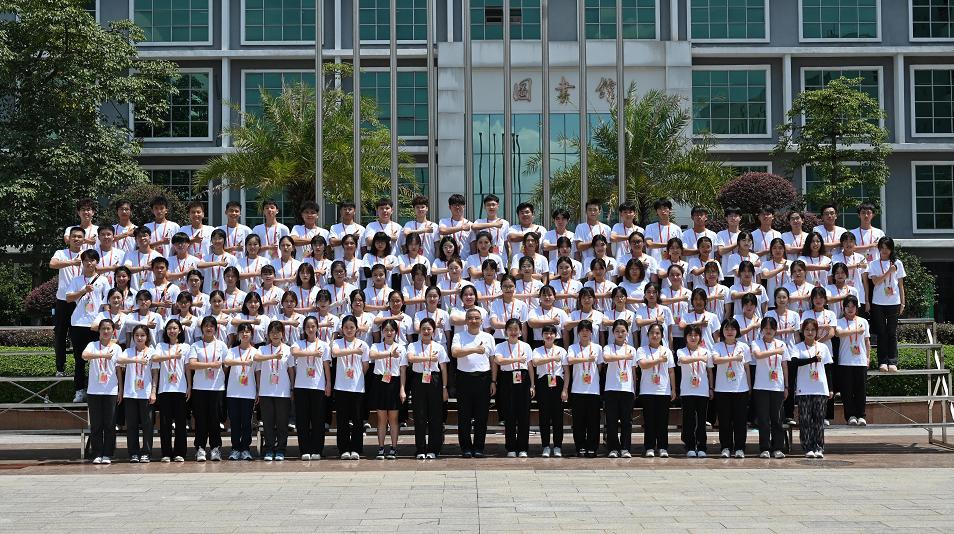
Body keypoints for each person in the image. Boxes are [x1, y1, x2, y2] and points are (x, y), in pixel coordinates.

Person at [65, 249, 111, 402]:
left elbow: (107, 303)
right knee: (79, 360)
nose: (89, 263)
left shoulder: (103, 280)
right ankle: (79, 391)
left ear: (97, 262)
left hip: (96, 325)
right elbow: (68, 298)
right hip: (78, 324)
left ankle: (95, 390)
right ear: (82, 262)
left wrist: (105, 321)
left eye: (92, 260)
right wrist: (83, 290)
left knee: (97, 359)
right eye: (86, 260)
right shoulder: (77, 280)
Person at [451, 307, 496, 458]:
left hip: (483, 378)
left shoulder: (488, 337)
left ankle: (478, 447)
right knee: (464, 416)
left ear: (482, 321)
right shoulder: (459, 336)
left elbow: (493, 360)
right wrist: (474, 349)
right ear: (466, 320)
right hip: (464, 378)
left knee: (481, 416)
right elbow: (455, 353)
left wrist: (493, 381)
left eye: (477, 318)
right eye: (470, 318)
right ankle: (465, 447)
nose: (473, 321)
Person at [81, 319, 123, 464]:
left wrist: (120, 390)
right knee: (96, 424)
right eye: (103, 328)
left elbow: (118, 370)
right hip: (94, 390)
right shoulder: (92, 345)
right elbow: (84, 356)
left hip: (111, 390)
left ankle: (108, 453)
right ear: (99, 331)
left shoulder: (116, 348)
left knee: (110, 424)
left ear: (113, 331)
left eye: (108, 328)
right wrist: (102, 356)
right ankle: (97, 453)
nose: (106, 331)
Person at [187, 316, 229, 462]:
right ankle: (200, 448)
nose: (209, 328)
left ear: (215, 329)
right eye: (206, 326)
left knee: (215, 420)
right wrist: (211, 365)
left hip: (217, 388)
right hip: (199, 388)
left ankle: (215, 448)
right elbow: (192, 364)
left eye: (211, 326)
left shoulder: (221, 345)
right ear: (202, 328)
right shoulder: (196, 345)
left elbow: (226, 365)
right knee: (200, 420)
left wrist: (217, 370)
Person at [405, 318, 448, 459]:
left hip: (434, 380)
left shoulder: (439, 347)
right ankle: (420, 449)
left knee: (435, 416)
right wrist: (428, 358)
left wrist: (444, 387)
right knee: (419, 415)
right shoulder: (413, 345)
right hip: (418, 380)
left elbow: (443, 368)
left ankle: (434, 449)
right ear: (419, 331)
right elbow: (411, 358)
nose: (426, 331)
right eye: (423, 328)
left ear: (433, 331)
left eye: (429, 329)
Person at [291, 316, 333, 460]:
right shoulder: (298, 343)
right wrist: (312, 353)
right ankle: (304, 450)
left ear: (317, 328)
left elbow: (326, 365)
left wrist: (328, 383)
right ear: (304, 329)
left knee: (318, 420)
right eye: (308, 326)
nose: (310, 329)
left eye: (313, 326)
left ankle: (317, 449)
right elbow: (294, 352)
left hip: (318, 386)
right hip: (301, 386)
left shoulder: (324, 345)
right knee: (302, 420)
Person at [792, 318, 833, 459]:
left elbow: (828, 368)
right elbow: (795, 362)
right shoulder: (797, 347)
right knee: (805, 420)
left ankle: (818, 447)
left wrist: (831, 388)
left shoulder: (823, 347)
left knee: (819, 420)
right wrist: (813, 359)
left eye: (813, 330)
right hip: (804, 388)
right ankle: (808, 447)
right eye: (807, 330)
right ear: (802, 331)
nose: (810, 332)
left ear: (817, 331)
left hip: (820, 388)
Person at [254, 321, 296, 462]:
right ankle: (269, 449)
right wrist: (273, 357)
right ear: (268, 335)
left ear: (282, 334)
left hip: (283, 392)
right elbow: (256, 359)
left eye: (278, 332)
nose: (275, 335)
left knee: (282, 423)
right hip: (266, 391)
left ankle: (281, 449)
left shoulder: (288, 349)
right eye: (272, 332)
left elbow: (291, 370)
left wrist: (292, 388)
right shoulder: (263, 349)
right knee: (268, 423)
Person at [331, 315, 371, 460]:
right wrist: (353, 351)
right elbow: (335, 353)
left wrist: (357, 376)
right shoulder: (337, 342)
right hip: (341, 387)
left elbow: (365, 366)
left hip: (357, 387)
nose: (349, 330)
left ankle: (356, 448)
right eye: (346, 327)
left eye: (352, 327)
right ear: (342, 329)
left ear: (356, 329)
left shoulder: (363, 344)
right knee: (342, 420)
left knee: (357, 419)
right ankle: (343, 449)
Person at [151, 319, 190, 463]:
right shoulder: (161, 345)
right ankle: (166, 452)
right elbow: (155, 358)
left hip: (180, 388)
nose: (172, 331)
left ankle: (180, 452)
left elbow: (187, 368)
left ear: (180, 330)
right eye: (169, 328)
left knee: (180, 423)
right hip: (164, 389)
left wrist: (189, 386)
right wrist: (172, 356)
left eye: (174, 328)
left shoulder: (185, 347)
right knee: (165, 423)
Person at [493, 318, 534, 458]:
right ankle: (510, 447)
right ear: (506, 331)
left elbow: (529, 366)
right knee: (509, 414)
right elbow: (499, 361)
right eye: (510, 329)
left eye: (516, 329)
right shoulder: (500, 346)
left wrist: (532, 385)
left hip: (523, 379)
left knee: (523, 415)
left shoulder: (526, 346)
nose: (513, 332)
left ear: (520, 331)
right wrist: (516, 360)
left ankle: (523, 448)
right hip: (506, 379)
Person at [712, 318, 752, 458]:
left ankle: (740, 447)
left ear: (737, 331)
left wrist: (749, 386)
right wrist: (734, 358)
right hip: (722, 389)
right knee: (724, 420)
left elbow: (747, 367)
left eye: (733, 329)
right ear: (722, 331)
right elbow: (716, 360)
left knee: (740, 420)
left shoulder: (744, 347)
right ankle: (726, 447)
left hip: (740, 388)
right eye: (727, 329)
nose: (729, 331)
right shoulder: (717, 346)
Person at [750, 317, 789, 459]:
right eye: (766, 328)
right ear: (761, 330)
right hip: (761, 386)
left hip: (777, 386)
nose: (768, 331)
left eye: (771, 328)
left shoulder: (781, 344)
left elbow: (784, 366)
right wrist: (775, 351)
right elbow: (758, 355)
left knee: (777, 419)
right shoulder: (756, 343)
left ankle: (778, 447)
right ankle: (765, 448)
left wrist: (786, 386)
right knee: (763, 419)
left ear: (776, 330)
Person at [636, 322, 676, 458]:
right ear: (647, 335)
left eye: (658, 333)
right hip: (647, 390)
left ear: (662, 336)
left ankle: (663, 447)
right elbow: (643, 365)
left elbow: (671, 371)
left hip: (663, 390)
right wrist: (659, 360)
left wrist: (673, 389)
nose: (655, 335)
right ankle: (649, 447)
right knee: (649, 421)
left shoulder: (667, 351)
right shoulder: (642, 350)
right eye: (652, 333)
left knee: (662, 421)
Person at [369, 319, 408, 460]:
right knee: (381, 418)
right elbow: (372, 356)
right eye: (386, 330)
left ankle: (394, 447)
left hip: (394, 382)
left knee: (393, 418)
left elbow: (403, 370)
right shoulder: (376, 346)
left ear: (396, 332)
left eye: (392, 330)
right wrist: (390, 354)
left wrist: (402, 389)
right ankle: (380, 448)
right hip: (379, 382)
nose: (389, 333)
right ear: (382, 332)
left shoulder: (401, 348)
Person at [865, 237, 905, 372]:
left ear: (891, 249)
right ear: (878, 249)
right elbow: (875, 282)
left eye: (887, 248)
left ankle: (892, 361)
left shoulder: (898, 263)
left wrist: (903, 303)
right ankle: (882, 362)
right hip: (878, 302)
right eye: (882, 247)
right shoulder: (873, 264)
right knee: (881, 333)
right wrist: (889, 272)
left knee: (892, 332)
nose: (884, 250)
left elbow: (900, 285)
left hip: (894, 302)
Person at [117, 325, 155, 463]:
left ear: (147, 337)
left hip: (146, 393)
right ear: (133, 337)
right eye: (137, 335)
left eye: (142, 335)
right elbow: (119, 360)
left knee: (147, 425)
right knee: (131, 425)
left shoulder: (152, 351)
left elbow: (155, 372)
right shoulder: (128, 351)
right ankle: (133, 452)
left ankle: (146, 452)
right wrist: (136, 360)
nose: (139, 338)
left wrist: (153, 391)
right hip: (130, 393)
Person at [566, 320, 602, 457]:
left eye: (587, 330)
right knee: (578, 421)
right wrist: (587, 359)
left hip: (593, 389)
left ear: (591, 332)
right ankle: (580, 446)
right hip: (577, 389)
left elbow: (600, 366)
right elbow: (570, 360)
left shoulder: (597, 348)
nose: (585, 333)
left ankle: (592, 447)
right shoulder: (573, 347)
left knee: (593, 420)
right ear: (578, 332)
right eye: (582, 330)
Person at [531, 325, 567, 458]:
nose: (549, 336)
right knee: (544, 417)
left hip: (558, 383)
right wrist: (552, 359)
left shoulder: (561, 350)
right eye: (546, 333)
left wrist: (565, 389)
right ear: (542, 335)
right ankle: (545, 446)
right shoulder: (537, 350)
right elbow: (535, 362)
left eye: (551, 333)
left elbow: (567, 372)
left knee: (558, 417)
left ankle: (557, 446)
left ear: (556, 336)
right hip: (543, 383)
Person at [223, 323, 259, 461]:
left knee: (246, 422)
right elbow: (227, 362)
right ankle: (235, 448)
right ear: (238, 334)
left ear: (251, 334)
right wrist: (242, 363)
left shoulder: (256, 352)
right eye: (242, 332)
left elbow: (258, 372)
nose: (245, 334)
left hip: (248, 392)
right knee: (235, 422)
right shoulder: (232, 350)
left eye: (247, 332)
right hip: (233, 392)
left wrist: (258, 390)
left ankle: (245, 448)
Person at [677, 324, 713, 458]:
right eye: (690, 335)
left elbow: (709, 371)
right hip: (687, 391)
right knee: (688, 420)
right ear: (685, 337)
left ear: (700, 337)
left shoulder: (706, 351)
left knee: (702, 420)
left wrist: (711, 388)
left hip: (702, 390)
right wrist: (699, 358)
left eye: (696, 335)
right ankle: (690, 446)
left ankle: (702, 446)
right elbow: (683, 360)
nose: (693, 338)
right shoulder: (681, 351)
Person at [603, 319, 637, 458]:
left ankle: (625, 448)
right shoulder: (608, 348)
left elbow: (633, 370)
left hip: (627, 389)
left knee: (626, 421)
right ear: (613, 333)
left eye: (623, 331)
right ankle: (613, 448)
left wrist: (634, 388)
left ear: (627, 332)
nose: (620, 334)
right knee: (611, 420)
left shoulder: (632, 349)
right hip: (611, 388)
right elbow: (606, 358)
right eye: (617, 331)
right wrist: (624, 356)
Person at [836, 296, 871, 426]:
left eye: (853, 306)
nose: (850, 309)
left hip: (860, 360)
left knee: (861, 390)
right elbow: (839, 334)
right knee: (847, 390)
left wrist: (868, 357)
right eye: (848, 306)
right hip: (845, 361)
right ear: (843, 308)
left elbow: (867, 341)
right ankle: (850, 416)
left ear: (857, 308)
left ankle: (861, 415)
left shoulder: (863, 321)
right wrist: (856, 331)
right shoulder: (839, 321)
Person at [470, 194, 510, 261]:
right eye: (488, 205)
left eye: (493, 205)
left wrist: (508, 258)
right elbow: (474, 226)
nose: (491, 207)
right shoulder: (479, 221)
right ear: (484, 207)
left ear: (498, 206)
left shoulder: (505, 223)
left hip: (501, 258)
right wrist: (494, 224)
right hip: (484, 258)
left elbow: (506, 243)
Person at [401, 195, 439, 261]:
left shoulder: (434, 226)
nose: (420, 209)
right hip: (412, 262)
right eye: (417, 207)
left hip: (430, 261)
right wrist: (425, 230)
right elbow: (406, 233)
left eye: (422, 207)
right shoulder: (409, 224)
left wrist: (436, 261)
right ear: (414, 209)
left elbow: (437, 247)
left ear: (427, 208)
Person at [574, 199, 612, 266]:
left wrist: (611, 261)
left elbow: (608, 249)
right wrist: (596, 241)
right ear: (586, 211)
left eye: (595, 210)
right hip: (587, 265)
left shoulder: (606, 228)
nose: (592, 212)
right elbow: (579, 247)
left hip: (603, 265)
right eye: (590, 210)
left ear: (599, 211)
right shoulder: (580, 227)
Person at [644, 198, 682, 264]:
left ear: (670, 210)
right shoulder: (650, 227)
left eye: (665, 208)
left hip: (672, 264)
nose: (663, 211)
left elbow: (680, 248)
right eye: (660, 209)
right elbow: (649, 244)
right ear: (656, 212)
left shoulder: (676, 228)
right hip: (654, 263)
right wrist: (669, 245)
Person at [716, 206, 742, 284]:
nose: (733, 218)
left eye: (736, 216)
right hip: (726, 273)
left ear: (740, 218)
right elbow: (721, 251)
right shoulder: (721, 234)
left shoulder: (744, 235)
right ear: (726, 218)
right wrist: (738, 242)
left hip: (742, 273)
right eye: (730, 216)